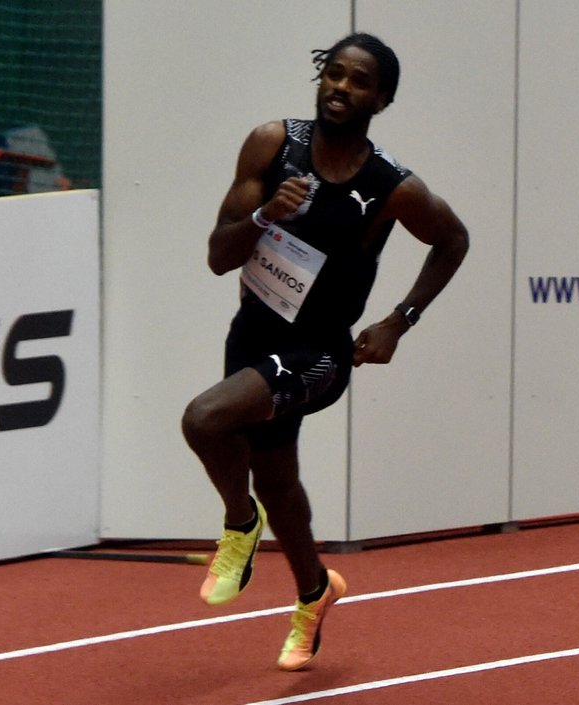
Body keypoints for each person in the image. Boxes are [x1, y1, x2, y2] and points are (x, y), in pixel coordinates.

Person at [181, 32, 469, 671]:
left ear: (381, 98)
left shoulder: (391, 185)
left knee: (203, 419)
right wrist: (264, 219)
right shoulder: (271, 145)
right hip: (253, 335)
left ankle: (237, 525)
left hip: (319, 353)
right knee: (278, 482)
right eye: (334, 74)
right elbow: (217, 257)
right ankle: (314, 594)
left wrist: (400, 320)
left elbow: (453, 240)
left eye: (358, 80)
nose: (341, 87)